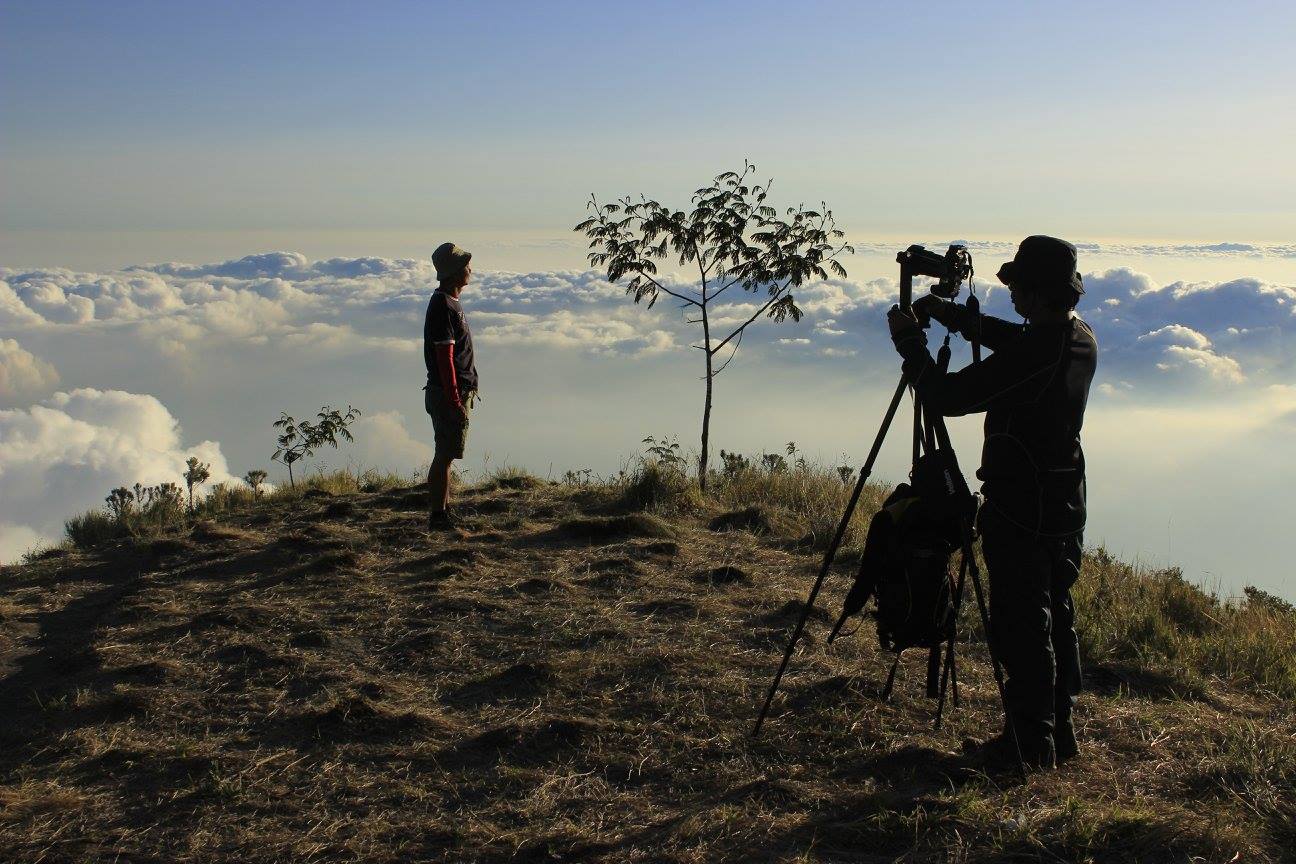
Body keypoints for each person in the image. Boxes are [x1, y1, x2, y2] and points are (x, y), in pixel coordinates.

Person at [886, 235, 1097, 771]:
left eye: (1020, 286)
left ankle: (1027, 747)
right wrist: (956, 318)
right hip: (1064, 504)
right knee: (1053, 614)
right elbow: (1018, 342)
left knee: (1021, 626)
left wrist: (910, 344)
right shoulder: (1078, 337)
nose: (1013, 294)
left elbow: (948, 397)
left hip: (1022, 508)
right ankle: (1058, 732)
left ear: (1038, 292)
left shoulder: (1036, 353)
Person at [424, 242, 479, 531]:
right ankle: (438, 516)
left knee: (446, 454)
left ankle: (443, 511)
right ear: (456, 272)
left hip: (452, 392)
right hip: (448, 394)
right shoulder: (444, 306)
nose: (470, 269)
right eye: (466, 265)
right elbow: (444, 357)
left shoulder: (449, 303)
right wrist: (454, 399)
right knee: (444, 455)